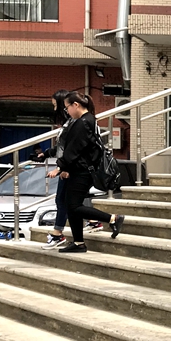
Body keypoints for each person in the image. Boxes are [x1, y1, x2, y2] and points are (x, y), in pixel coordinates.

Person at [47, 92, 124, 253]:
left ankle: (112, 218)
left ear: (76, 105)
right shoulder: (87, 120)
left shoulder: (83, 122)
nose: (66, 111)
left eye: (67, 107)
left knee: (74, 206)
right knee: (71, 206)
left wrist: (59, 167)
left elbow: (74, 149)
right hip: (80, 169)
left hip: (83, 171)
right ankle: (78, 243)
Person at [43, 89, 72, 249]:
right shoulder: (68, 124)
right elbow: (62, 148)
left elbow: (71, 149)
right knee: (70, 201)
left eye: (55, 105)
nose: (54, 109)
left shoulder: (72, 124)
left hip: (69, 168)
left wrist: (61, 168)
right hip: (66, 166)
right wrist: (46, 153)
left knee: (62, 200)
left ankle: (57, 234)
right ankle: (103, 220)